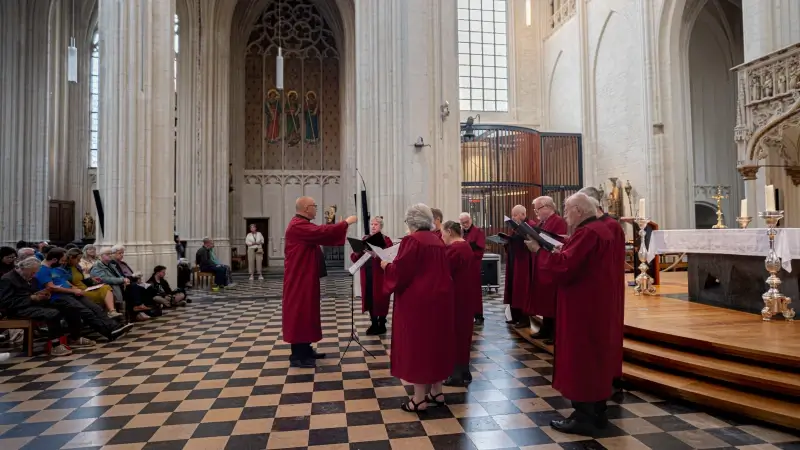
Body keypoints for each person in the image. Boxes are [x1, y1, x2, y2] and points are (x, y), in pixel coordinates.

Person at [525, 193, 618, 435]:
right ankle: (596, 412)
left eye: (567, 211)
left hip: (582, 306)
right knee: (593, 358)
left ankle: (585, 417)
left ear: (578, 210)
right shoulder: (600, 229)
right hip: (594, 303)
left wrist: (538, 251)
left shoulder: (588, 232)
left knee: (582, 358)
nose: (565, 215)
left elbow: (565, 267)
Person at [380, 204, 455, 412]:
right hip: (440, 300)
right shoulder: (437, 239)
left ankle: (419, 399)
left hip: (418, 303)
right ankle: (437, 392)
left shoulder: (412, 241)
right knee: (437, 345)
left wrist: (387, 266)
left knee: (418, 347)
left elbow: (402, 272)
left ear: (412, 222)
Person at [283, 196, 358, 368]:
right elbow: (321, 233)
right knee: (299, 314)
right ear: (306, 208)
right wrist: (346, 223)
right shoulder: (297, 225)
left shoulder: (302, 224)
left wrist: (335, 227)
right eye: (314, 206)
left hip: (305, 277)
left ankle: (306, 349)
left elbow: (320, 232)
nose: (316, 209)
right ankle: (297, 356)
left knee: (307, 313)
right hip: (298, 279)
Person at [580, 186, 626, 388]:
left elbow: (609, 258)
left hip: (608, 285)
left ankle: (611, 374)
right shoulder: (596, 225)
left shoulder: (610, 225)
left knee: (609, 332)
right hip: (596, 285)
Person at [34, 248, 128, 344]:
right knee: (86, 312)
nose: (63, 262)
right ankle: (110, 333)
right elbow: (52, 288)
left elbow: (65, 281)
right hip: (58, 297)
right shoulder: (43, 270)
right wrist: (72, 291)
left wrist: (75, 288)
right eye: (62, 260)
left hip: (70, 293)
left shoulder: (54, 268)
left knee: (95, 308)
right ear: (54, 260)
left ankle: (115, 327)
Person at [0, 257, 72, 356]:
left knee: (64, 305)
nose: (33, 275)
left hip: (30, 305)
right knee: (52, 313)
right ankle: (55, 345)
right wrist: (32, 298)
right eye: (32, 272)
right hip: (16, 310)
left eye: (35, 273)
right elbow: (6, 302)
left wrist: (42, 294)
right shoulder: (8, 279)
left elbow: (32, 292)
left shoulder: (29, 277)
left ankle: (70, 339)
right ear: (23, 268)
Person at [528, 196, 568, 343]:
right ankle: (546, 327)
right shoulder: (542, 222)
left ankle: (554, 332)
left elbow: (560, 243)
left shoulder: (558, 221)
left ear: (547, 207)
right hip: (542, 262)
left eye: (537, 209)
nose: (535, 212)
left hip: (551, 263)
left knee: (551, 299)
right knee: (544, 298)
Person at [441, 220, 476, 387]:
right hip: (466, 295)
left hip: (456, 296)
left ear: (449, 231)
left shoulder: (455, 249)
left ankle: (456, 374)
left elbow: (444, 270)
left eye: (442, 233)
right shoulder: (466, 246)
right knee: (463, 334)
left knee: (454, 333)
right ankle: (464, 371)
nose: (442, 237)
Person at [350, 216, 393, 335]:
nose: (373, 226)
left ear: (381, 226)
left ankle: (382, 323)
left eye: (376, 224)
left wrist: (376, 254)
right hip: (367, 273)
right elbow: (355, 258)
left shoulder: (386, 240)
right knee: (370, 297)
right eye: (372, 224)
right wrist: (357, 250)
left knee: (381, 299)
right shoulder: (365, 238)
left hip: (380, 275)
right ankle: (374, 324)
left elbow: (390, 257)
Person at [64, 248, 121, 318]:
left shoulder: (77, 267)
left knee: (106, 287)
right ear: (71, 258)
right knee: (107, 290)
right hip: (78, 291)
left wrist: (92, 280)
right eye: (77, 259)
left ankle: (112, 311)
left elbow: (81, 280)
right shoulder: (65, 269)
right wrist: (73, 287)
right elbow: (65, 281)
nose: (79, 261)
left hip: (85, 287)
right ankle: (108, 317)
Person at [503, 205, 535, 327]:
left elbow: (530, 240)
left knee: (521, 289)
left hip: (523, 262)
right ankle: (515, 316)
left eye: (515, 215)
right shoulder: (515, 227)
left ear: (523, 214)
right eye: (512, 215)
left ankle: (524, 318)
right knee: (513, 287)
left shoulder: (529, 225)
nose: (513, 217)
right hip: (514, 259)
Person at [459, 212, 486, 325]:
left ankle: (478, 315)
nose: (465, 224)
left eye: (467, 222)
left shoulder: (478, 231)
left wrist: (466, 247)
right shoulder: (460, 232)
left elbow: (480, 248)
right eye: (463, 223)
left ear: (471, 220)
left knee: (475, 291)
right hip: (462, 266)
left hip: (473, 265)